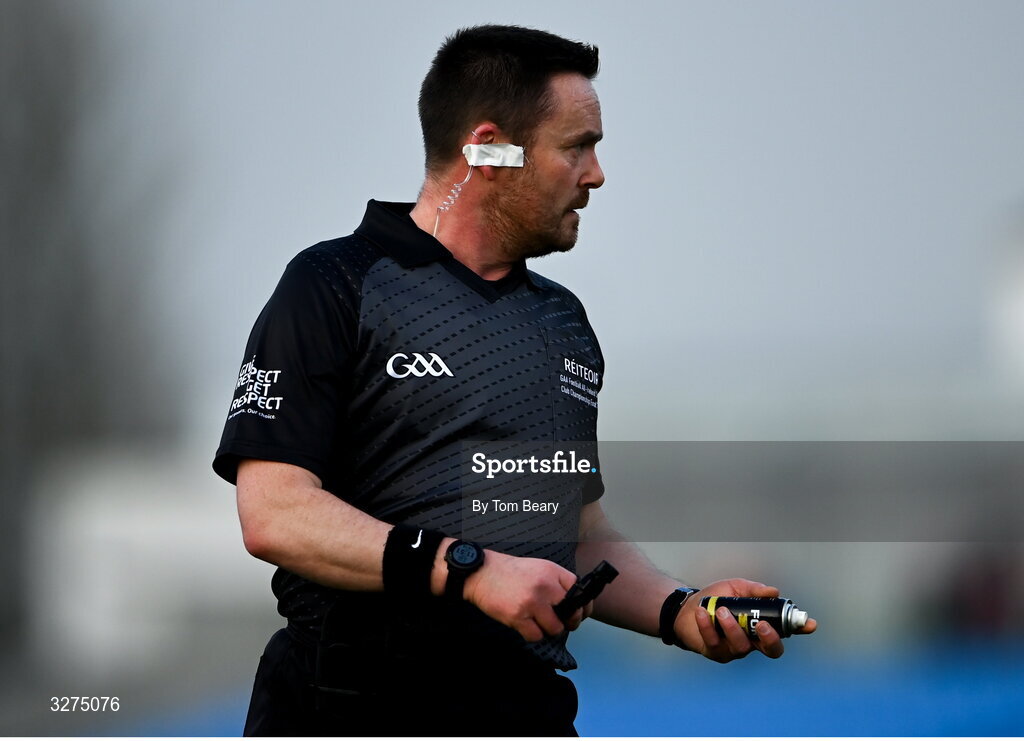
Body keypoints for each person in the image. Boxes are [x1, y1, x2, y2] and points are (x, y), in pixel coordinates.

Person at [213, 24, 816, 737]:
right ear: (489, 147)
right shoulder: (334, 284)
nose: (596, 174)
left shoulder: (564, 325)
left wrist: (678, 609)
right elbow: (274, 512)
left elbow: (577, 530)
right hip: (349, 704)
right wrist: (466, 567)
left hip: (523, 710)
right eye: (576, 146)